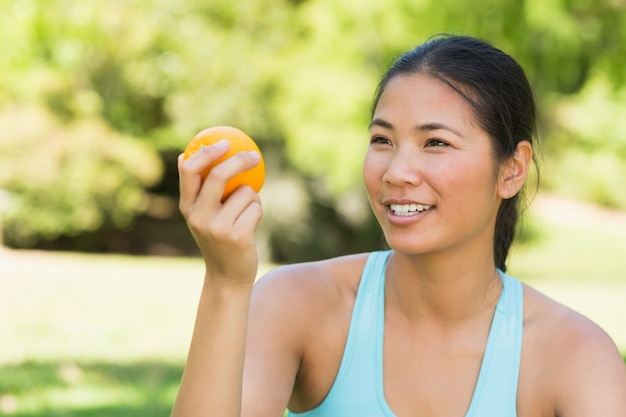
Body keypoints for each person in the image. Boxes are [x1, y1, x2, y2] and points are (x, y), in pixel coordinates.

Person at [172, 34, 626, 417]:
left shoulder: (575, 356)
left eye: (436, 142)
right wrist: (227, 283)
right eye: (382, 140)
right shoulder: (299, 304)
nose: (396, 171)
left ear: (512, 169)